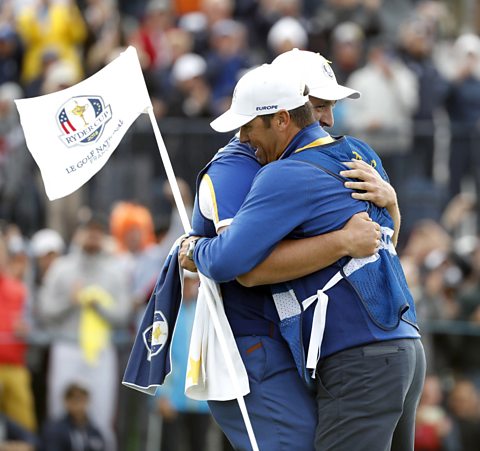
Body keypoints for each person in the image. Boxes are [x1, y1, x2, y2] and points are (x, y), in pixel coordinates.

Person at [180, 62, 425, 450]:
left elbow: (233, 263)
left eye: (249, 126)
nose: (242, 137)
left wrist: (195, 247)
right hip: (406, 347)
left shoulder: (284, 175)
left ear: (280, 120)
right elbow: (386, 234)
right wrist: (382, 214)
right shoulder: (361, 151)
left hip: (359, 357)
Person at [40, 382, 106, 451]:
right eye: (75, 400)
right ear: (66, 402)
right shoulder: (54, 429)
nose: (78, 405)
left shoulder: (95, 432)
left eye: (82, 400)